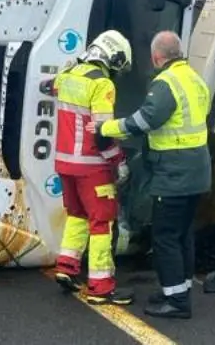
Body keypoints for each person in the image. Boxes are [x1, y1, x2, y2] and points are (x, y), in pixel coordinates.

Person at [90, 30, 211, 320]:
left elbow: (144, 120)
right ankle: (177, 291)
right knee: (182, 235)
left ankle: (177, 303)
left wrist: (104, 128)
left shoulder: (166, 83)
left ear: (157, 57)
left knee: (165, 236)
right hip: (197, 172)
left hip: (174, 174)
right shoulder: (195, 80)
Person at [45, 29, 136, 306]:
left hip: (64, 163)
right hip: (91, 166)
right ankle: (101, 286)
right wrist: (118, 161)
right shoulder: (103, 84)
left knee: (77, 214)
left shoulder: (68, 75)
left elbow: (51, 86)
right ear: (112, 57)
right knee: (101, 222)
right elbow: (101, 132)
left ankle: (67, 267)